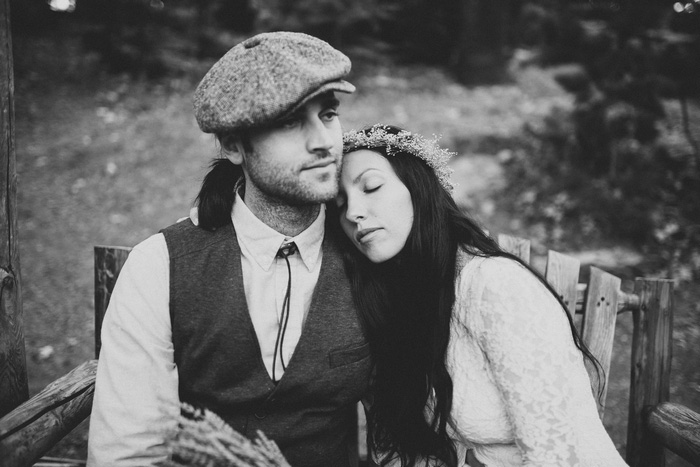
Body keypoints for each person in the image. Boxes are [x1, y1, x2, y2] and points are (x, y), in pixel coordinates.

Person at [88, 32, 372, 467]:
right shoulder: (160, 267)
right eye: (289, 121)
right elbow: (129, 451)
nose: (324, 142)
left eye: (329, 114)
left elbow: (406, 431)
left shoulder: (369, 253)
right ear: (233, 145)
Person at [333, 124, 628, 467]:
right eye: (340, 204)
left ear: (419, 188)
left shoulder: (495, 286)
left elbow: (554, 458)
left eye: (371, 187)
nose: (353, 212)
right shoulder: (399, 300)